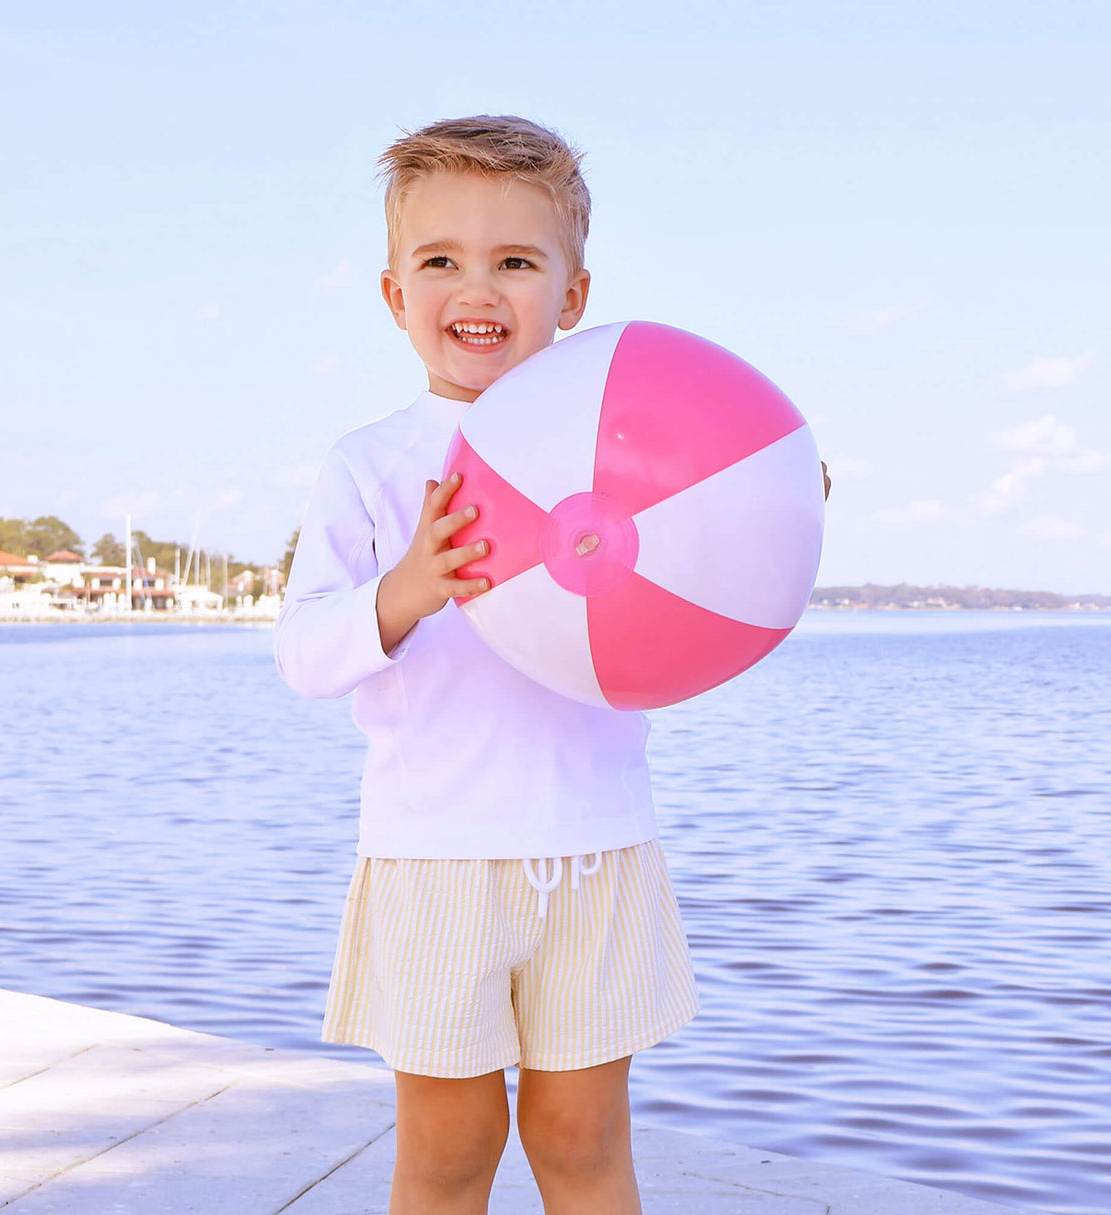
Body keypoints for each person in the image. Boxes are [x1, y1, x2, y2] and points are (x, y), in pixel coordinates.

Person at [276, 115, 813, 1215]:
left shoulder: (627, 444)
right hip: (436, 857)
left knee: (580, 1138)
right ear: (394, 294)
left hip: (594, 845)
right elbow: (304, 653)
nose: (477, 289)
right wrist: (407, 587)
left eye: (516, 262)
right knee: (449, 1146)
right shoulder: (372, 464)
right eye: (440, 261)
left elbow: (722, 538)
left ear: (573, 296)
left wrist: (769, 499)